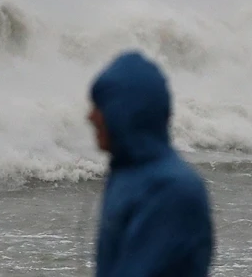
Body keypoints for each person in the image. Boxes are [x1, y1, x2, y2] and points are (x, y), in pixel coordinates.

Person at [87, 50, 214, 277]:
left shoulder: (172, 190)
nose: (91, 116)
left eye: (100, 106)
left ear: (125, 112)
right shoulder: (127, 176)